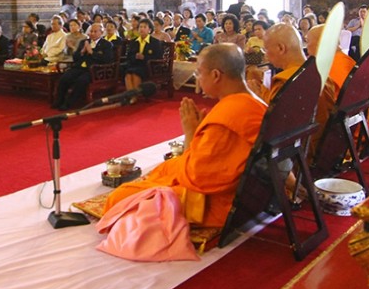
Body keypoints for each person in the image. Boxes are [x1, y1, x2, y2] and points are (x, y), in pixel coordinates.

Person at [104, 44, 267, 227]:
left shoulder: (229, 113)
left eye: (199, 72)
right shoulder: (255, 102)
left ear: (216, 75)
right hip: (251, 192)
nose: (197, 77)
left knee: (118, 198)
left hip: (218, 203)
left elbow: (196, 178)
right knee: (164, 169)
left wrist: (191, 134)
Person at [248, 23, 336, 156]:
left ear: (281, 48)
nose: (265, 56)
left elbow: (273, 126)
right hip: (326, 148)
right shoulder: (321, 74)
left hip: (300, 156)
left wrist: (257, 97)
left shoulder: (286, 82)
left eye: (266, 49)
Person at [52, 23, 114, 111]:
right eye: (91, 31)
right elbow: (75, 58)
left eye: (95, 31)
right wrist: (82, 51)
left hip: (94, 70)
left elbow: (107, 60)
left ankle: (68, 103)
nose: (92, 33)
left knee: (81, 81)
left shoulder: (107, 44)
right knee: (65, 78)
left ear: (101, 32)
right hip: (80, 67)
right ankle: (59, 100)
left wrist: (92, 52)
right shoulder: (84, 42)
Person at [306, 25, 355, 97]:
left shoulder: (336, 64)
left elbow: (349, 96)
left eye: (307, 41)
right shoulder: (337, 59)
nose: (306, 46)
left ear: (320, 43)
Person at [124, 19, 163, 94]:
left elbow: (158, 57)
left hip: (148, 66)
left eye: (144, 27)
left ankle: (134, 95)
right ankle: (132, 96)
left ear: (150, 30)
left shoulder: (155, 42)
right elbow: (128, 56)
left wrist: (144, 57)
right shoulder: (133, 41)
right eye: (140, 27)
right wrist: (135, 56)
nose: (142, 29)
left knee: (136, 73)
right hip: (135, 64)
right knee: (128, 74)